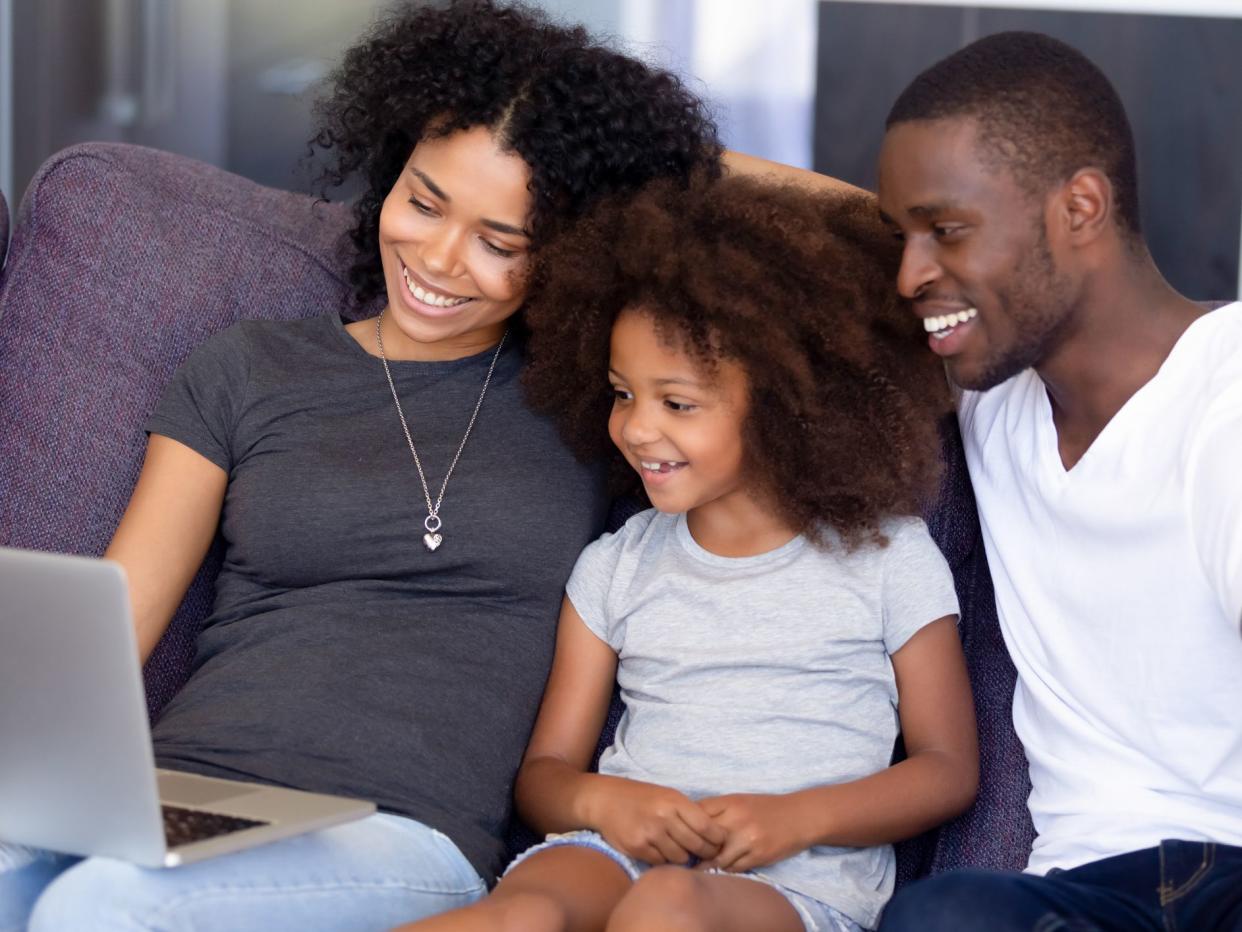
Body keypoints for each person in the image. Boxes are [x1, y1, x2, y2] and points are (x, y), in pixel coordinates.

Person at [0, 3, 727, 930]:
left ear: (577, 253)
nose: (437, 257)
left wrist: (659, 181)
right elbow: (110, 624)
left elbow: (856, 238)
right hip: (179, 801)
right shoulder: (248, 368)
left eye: (499, 243)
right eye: (424, 202)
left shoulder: (602, 401)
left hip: (401, 833)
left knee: (106, 909)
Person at [395, 174, 979, 932]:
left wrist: (799, 819)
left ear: (785, 405)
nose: (637, 429)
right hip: (612, 853)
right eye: (621, 392)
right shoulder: (618, 565)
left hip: (795, 884)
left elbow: (947, 770)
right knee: (522, 917)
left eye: (677, 403)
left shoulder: (888, 557)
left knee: (668, 906)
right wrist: (605, 802)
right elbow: (546, 778)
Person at [875, 31, 1242, 932]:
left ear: (1079, 206)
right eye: (901, 236)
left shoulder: (1224, 405)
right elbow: (793, 219)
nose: (909, 274)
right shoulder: (995, 402)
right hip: (1083, 893)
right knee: (939, 917)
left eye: (946, 231)